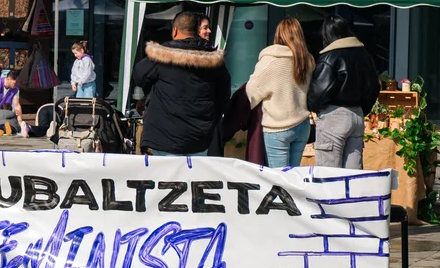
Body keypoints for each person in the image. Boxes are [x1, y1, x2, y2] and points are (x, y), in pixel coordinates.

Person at [132, 11, 231, 157]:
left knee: (166, 172)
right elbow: (223, 97)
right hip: (199, 137)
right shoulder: (214, 61)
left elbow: (139, 76)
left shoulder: (161, 57)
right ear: (196, 31)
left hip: (164, 136)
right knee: (194, 171)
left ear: (175, 30)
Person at [307, 15, 380, 169]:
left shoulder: (330, 56)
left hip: (334, 116)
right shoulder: (364, 55)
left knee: (328, 175)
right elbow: (374, 86)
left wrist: (313, 106)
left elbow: (319, 92)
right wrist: (362, 109)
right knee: (353, 175)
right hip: (357, 115)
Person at [247, 18, 315, 168]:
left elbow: (252, 92)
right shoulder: (307, 60)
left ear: (278, 34)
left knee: (279, 177)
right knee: (293, 174)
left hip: (277, 127)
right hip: (302, 124)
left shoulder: (271, 60)